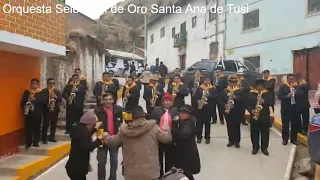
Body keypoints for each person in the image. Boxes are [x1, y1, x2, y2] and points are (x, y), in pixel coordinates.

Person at [104, 106, 172, 180]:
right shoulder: (154, 128)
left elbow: (112, 142)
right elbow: (167, 139)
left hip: (131, 172)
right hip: (150, 171)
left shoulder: (124, 131)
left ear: (132, 116)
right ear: (143, 115)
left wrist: (106, 136)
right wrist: (167, 130)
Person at [65, 110, 108, 180]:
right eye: (93, 125)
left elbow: (85, 135)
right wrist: (100, 140)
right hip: (78, 169)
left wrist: (94, 129)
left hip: (72, 167)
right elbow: (88, 147)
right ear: (89, 124)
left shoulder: (79, 129)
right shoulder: (84, 133)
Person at [148, 92, 179, 178]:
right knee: (159, 159)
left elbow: (177, 124)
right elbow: (151, 120)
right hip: (159, 137)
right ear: (162, 102)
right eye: (166, 100)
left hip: (170, 138)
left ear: (172, 102)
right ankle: (160, 175)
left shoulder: (175, 111)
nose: (167, 102)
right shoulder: (157, 110)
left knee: (170, 159)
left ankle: (168, 176)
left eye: (169, 100)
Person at [95, 93, 124, 180]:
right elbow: (94, 124)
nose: (108, 101)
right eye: (106, 99)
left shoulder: (119, 110)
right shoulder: (98, 111)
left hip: (114, 140)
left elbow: (128, 117)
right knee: (101, 163)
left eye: (110, 99)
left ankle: (112, 178)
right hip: (102, 140)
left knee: (114, 162)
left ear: (113, 100)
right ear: (103, 101)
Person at [171, 104, 201, 180]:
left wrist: (172, 129)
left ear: (189, 115)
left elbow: (183, 135)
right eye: (181, 112)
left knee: (186, 173)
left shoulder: (189, 123)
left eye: (184, 113)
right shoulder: (182, 121)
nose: (181, 114)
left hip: (188, 154)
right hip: (184, 152)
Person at [247, 79, 272, 156]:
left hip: (264, 116)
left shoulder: (267, 93)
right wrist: (251, 110)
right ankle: (255, 147)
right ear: (256, 86)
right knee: (254, 133)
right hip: (254, 116)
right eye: (258, 86)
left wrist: (264, 101)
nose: (260, 87)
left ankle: (264, 148)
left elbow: (272, 102)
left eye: (261, 86)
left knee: (265, 133)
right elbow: (247, 104)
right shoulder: (251, 94)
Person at [21, 78, 46, 148]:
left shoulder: (41, 93)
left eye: (35, 84)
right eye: (32, 84)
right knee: (29, 128)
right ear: (30, 84)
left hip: (38, 113)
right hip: (29, 113)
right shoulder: (27, 92)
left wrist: (34, 100)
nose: (34, 85)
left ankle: (36, 142)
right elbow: (22, 103)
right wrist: (28, 100)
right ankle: (28, 142)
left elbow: (44, 101)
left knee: (37, 128)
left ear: (38, 85)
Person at [194, 77, 218, 144]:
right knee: (199, 124)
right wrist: (197, 101)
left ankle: (207, 137)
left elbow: (215, 97)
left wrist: (208, 95)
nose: (207, 81)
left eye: (208, 80)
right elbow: (195, 97)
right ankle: (199, 137)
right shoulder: (199, 88)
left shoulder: (213, 89)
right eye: (205, 80)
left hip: (208, 108)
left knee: (207, 124)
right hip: (200, 108)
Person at [222, 76, 243, 148]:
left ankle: (237, 141)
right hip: (228, 111)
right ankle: (231, 140)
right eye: (231, 82)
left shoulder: (240, 90)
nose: (232, 84)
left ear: (236, 83)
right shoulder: (225, 90)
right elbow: (220, 100)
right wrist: (224, 105)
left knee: (236, 126)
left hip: (237, 111)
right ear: (229, 82)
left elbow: (244, 100)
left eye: (234, 82)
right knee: (229, 126)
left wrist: (236, 98)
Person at [278, 74, 299, 145]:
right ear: (287, 79)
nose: (291, 80)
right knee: (285, 125)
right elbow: (280, 96)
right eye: (290, 79)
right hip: (286, 109)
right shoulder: (283, 86)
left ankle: (294, 139)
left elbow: (301, 95)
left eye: (293, 79)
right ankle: (285, 139)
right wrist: (288, 96)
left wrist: (296, 94)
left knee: (295, 125)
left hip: (294, 108)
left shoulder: (296, 86)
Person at [42, 78, 62, 144]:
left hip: (54, 109)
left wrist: (55, 97)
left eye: (53, 83)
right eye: (50, 83)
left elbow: (60, 99)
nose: (52, 84)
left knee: (54, 124)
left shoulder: (57, 91)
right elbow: (42, 100)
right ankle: (44, 138)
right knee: (45, 124)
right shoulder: (44, 91)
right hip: (47, 110)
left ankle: (52, 137)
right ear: (47, 84)